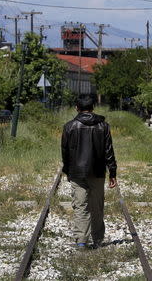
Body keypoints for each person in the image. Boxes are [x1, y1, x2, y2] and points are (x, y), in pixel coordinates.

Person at [61, 94, 117, 249]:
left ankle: (81, 241)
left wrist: (67, 170)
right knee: (97, 206)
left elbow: (65, 152)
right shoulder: (103, 126)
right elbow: (109, 152)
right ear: (93, 108)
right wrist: (112, 173)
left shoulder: (69, 126)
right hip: (98, 172)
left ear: (77, 108)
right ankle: (98, 239)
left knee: (80, 206)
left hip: (77, 173)